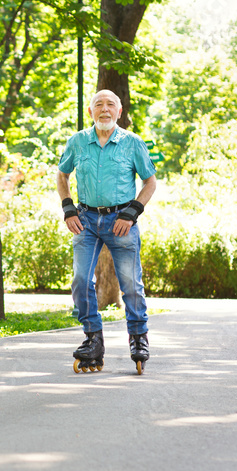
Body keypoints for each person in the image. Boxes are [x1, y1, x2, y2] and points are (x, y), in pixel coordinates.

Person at [56, 89, 157, 374]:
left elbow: (150, 182)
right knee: (80, 280)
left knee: (131, 283)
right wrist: (68, 208)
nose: (104, 109)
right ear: (90, 111)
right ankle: (93, 339)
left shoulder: (132, 143)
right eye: (98, 104)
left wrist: (132, 212)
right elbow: (62, 174)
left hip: (121, 220)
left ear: (119, 111)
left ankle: (138, 338)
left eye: (110, 104)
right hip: (85, 220)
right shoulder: (77, 142)